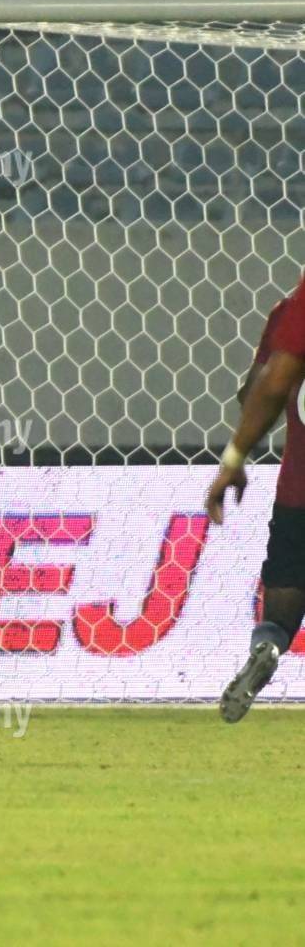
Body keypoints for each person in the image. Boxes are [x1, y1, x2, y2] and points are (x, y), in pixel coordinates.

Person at [209, 281, 305, 721]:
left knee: (284, 594)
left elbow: (260, 389)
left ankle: (268, 644)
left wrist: (234, 458)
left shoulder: (291, 310)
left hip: (299, 491)